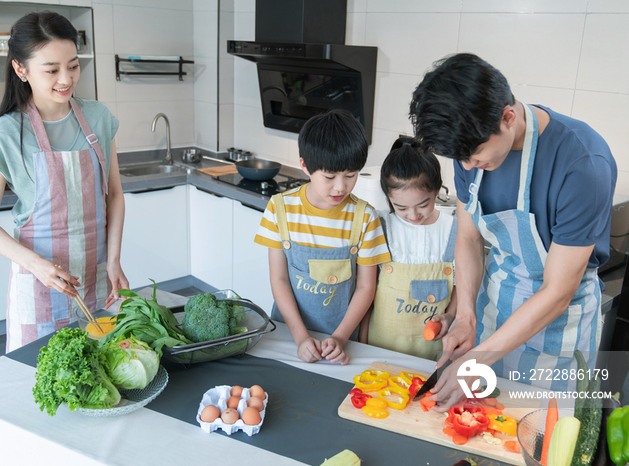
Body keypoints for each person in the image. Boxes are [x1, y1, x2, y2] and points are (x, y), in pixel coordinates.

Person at [408, 53, 617, 409]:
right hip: (494, 310)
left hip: (558, 330)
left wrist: (476, 360)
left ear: (508, 117)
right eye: (460, 160)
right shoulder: (468, 152)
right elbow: (469, 238)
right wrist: (467, 316)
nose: (468, 167)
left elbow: (558, 290)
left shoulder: (582, 165)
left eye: (474, 157)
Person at [0, 12, 128, 352]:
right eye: (52, 69)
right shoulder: (6, 133)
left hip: (99, 277)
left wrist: (114, 260)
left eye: (73, 66)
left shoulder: (99, 118)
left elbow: (114, 195)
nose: (66, 78)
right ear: (21, 69)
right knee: (46, 382)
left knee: (104, 374)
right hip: (39, 283)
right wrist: (36, 266)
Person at [254, 109, 391, 365]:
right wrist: (300, 337)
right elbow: (280, 279)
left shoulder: (365, 218)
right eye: (329, 176)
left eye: (351, 175)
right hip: (287, 334)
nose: (340, 186)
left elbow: (365, 287)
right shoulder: (279, 209)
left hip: (343, 341)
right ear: (305, 165)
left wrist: (340, 338)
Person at [360, 136, 458, 361]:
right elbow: (367, 293)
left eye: (423, 204)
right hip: (379, 352)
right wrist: (362, 344)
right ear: (388, 198)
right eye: (401, 207)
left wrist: (450, 315)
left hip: (432, 356)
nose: (413, 216)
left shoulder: (454, 229)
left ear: (437, 190)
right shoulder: (381, 227)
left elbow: (461, 287)